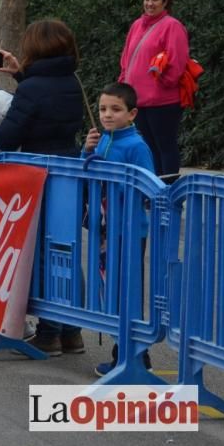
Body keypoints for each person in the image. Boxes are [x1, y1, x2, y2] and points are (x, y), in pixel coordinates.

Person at [0, 18, 86, 355]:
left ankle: (49, 332)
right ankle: (72, 330)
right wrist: (20, 75)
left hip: (38, 174)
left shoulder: (33, 89)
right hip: (69, 169)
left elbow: (9, 136)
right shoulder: (73, 81)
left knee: (42, 253)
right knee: (65, 250)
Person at [80, 82, 156, 376]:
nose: (107, 115)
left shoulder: (136, 146)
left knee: (126, 292)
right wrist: (86, 152)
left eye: (115, 109)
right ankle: (125, 352)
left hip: (128, 231)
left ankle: (132, 355)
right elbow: (84, 172)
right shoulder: (100, 139)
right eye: (102, 109)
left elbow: (149, 186)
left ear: (132, 113)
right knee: (109, 289)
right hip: (104, 230)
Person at [118, 0, 189, 180]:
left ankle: (167, 191)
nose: (149, 3)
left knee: (164, 146)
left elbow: (177, 61)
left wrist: (164, 83)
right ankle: (153, 190)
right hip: (138, 99)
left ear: (165, 2)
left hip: (163, 101)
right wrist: (123, 84)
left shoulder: (172, 26)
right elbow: (126, 57)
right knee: (148, 148)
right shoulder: (136, 25)